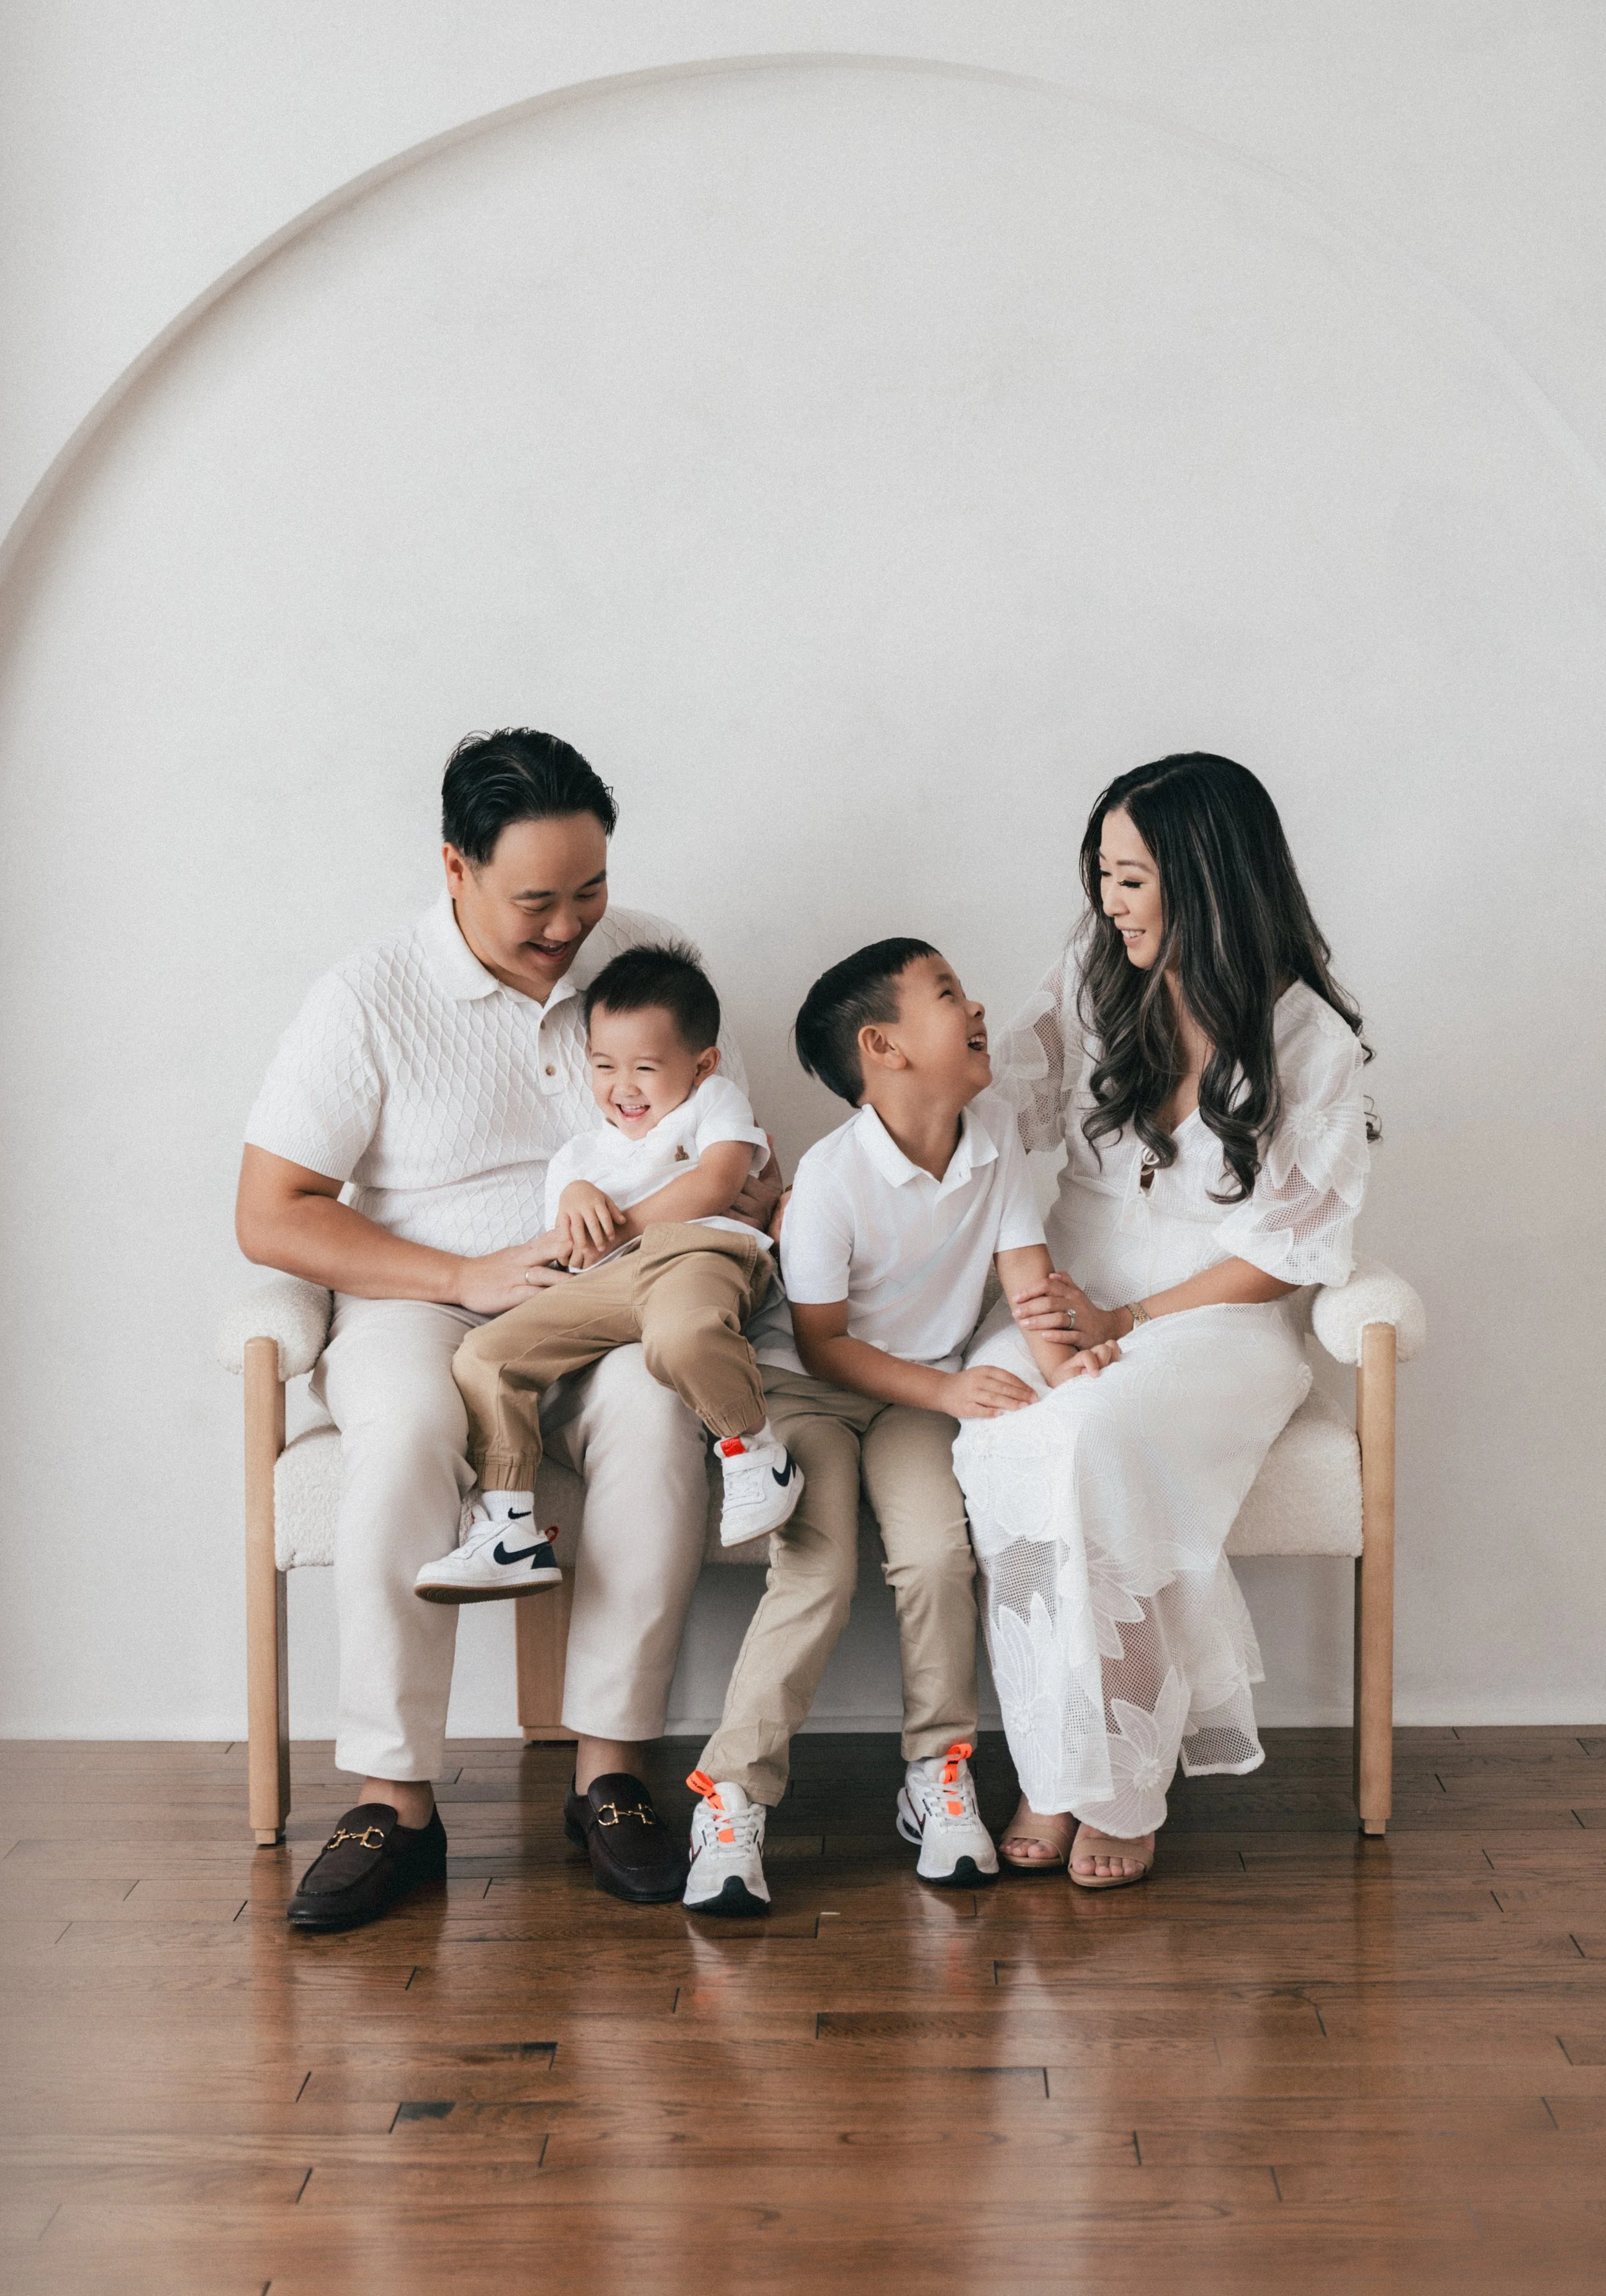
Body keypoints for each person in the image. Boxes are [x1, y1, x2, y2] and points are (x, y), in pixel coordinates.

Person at [234, 729, 780, 1929]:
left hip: (621, 1295)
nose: (570, 924)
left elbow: (717, 1131)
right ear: (454, 868)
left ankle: (612, 1774)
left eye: (589, 889)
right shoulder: (368, 996)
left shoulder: (644, 956)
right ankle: (395, 1799)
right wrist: (461, 1273)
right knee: (413, 1432)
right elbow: (269, 1214)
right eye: (537, 899)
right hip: (420, 1302)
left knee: (651, 1413)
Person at [953, 752, 1372, 1890]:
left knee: (1094, 1437)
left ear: (1209, 880)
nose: (1110, 903)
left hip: (1212, 1328)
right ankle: (1054, 1754)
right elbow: (987, 1122)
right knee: (1001, 1424)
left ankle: (1122, 1782)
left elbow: (1285, 1261)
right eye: (1103, 875)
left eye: (1132, 879)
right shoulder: (1092, 988)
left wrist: (1123, 1318)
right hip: (1067, 1300)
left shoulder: (1309, 1044)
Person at [682, 938, 1106, 1918]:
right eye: (950, 992)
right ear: (884, 1046)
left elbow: (1026, 1280)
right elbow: (824, 1345)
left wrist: (1064, 1365)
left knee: (935, 1556)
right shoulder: (833, 1178)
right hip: (812, 1390)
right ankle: (733, 1795)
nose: (977, 1005)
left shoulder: (992, 1131)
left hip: (920, 1399)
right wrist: (950, 1392)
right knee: (819, 1569)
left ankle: (937, 1770)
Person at [414, 942, 803, 1605]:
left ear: (702, 1063)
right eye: (603, 1065)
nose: (623, 1086)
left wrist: (620, 1223)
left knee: (680, 1337)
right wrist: (575, 1202)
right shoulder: (578, 1156)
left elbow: (717, 1183)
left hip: (699, 1255)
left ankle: (755, 1453)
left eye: (646, 1067)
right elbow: (576, 1249)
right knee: (485, 1354)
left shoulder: (713, 1102)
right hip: (615, 1283)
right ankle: (508, 1528)